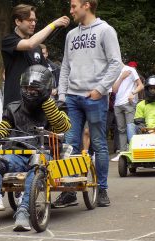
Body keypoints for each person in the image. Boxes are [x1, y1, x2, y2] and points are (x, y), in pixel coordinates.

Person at [0, 65, 71, 232]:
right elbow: (4, 125)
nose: (29, 91)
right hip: (17, 154)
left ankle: (24, 211)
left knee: (36, 164)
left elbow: (63, 126)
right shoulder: (13, 107)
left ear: (45, 89)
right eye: (26, 88)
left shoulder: (58, 106)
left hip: (44, 155)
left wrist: (47, 103)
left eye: (34, 88)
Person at [57, 0, 122, 207]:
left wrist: (100, 90)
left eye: (74, 6)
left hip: (95, 97)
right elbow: (66, 65)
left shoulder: (106, 30)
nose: (71, 10)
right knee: (70, 144)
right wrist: (62, 95)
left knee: (99, 144)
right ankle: (70, 191)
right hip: (73, 98)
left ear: (86, 5)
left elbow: (116, 63)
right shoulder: (70, 35)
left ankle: (102, 189)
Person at [2, 4, 70, 107]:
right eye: (30, 20)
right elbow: (29, 44)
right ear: (18, 21)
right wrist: (53, 25)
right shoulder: (8, 41)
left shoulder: (37, 48)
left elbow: (45, 74)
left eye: (35, 20)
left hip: (36, 106)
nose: (33, 23)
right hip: (14, 105)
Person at [110, 62, 144, 161]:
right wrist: (121, 78)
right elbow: (114, 90)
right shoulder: (113, 72)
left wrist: (133, 93)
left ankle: (135, 151)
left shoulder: (131, 70)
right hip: (117, 104)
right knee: (121, 129)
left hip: (129, 103)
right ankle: (122, 153)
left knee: (131, 127)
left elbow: (141, 85)